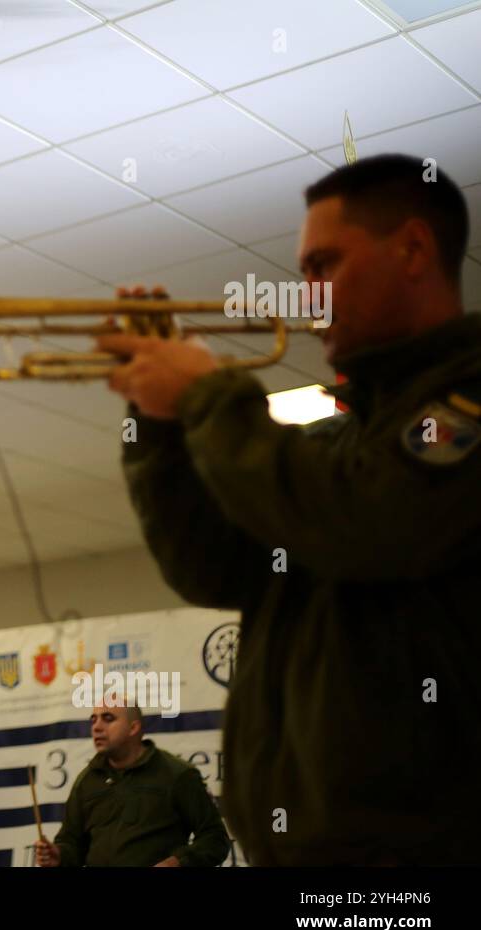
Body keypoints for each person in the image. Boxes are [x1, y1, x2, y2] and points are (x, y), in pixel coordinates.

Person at [96, 154, 481, 864]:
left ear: (414, 249)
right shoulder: (334, 448)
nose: (308, 296)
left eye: (324, 265)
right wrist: (158, 424)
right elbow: (210, 566)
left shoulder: (469, 400)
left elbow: (371, 521)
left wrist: (208, 395)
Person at [34, 705, 229, 867]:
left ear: (133, 728)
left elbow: (215, 839)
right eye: (93, 720)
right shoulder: (87, 780)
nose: (96, 727)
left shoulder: (177, 774)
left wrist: (177, 863)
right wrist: (59, 855)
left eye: (108, 718)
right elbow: (72, 843)